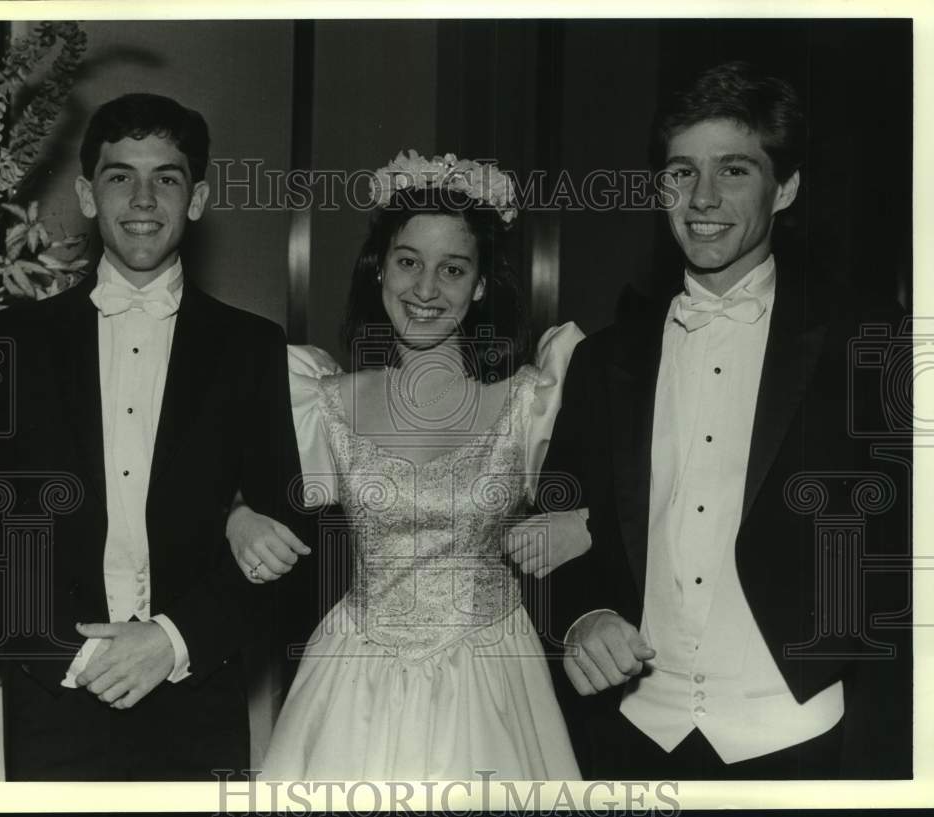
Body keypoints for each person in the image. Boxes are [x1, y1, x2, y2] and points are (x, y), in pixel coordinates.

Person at [542, 61, 911, 779]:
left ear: (788, 187)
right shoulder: (602, 359)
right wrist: (581, 617)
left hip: (807, 736)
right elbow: (557, 527)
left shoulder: (873, 343)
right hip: (630, 738)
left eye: (734, 171)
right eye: (681, 172)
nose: (702, 198)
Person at [0, 93, 304, 780]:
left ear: (198, 198)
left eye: (167, 178)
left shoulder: (250, 346)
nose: (143, 198)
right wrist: (74, 655)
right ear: (88, 195)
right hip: (54, 699)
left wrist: (174, 640)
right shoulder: (12, 340)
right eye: (121, 176)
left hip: (196, 701)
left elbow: (286, 537)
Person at [226, 151, 585, 780]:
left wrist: (588, 522)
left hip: (493, 675)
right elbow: (207, 473)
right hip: (353, 676)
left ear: (478, 286)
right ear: (379, 272)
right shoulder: (320, 397)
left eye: (452, 269)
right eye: (408, 262)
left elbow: (640, 489)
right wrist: (235, 516)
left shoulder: (532, 402)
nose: (425, 289)